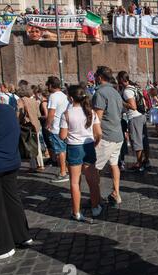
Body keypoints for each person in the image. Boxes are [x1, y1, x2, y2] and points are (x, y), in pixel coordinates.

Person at [0, 93, 33, 262]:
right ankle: (22, 235)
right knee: (12, 199)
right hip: (11, 161)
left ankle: (4, 246)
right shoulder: (8, 110)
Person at [59, 85, 102, 221]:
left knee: (75, 182)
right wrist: (95, 143)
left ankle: (76, 212)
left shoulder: (66, 114)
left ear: (71, 98)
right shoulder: (91, 112)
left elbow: (62, 136)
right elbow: (99, 133)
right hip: (88, 145)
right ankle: (95, 207)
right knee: (92, 180)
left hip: (74, 148)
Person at [92, 66, 124, 205]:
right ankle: (116, 193)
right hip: (118, 135)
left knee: (95, 169)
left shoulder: (100, 93)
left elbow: (97, 119)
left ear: (99, 77)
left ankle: (96, 198)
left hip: (106, 136)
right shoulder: (115, 92)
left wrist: (95, 137)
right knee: (114, 164)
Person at [117, 71, 150, 172]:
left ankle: (139, 163)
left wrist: (122, 102)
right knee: (144, 140)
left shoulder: (127, 91)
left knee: (137, 141)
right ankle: (146, 162)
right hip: (142, 115)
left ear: (121, 80)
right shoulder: (134, 87)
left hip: (135, 117)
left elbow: (133, 106)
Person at [45, 76, 69, 182]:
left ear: (50, 85)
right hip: (64, 126)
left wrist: (48, 124)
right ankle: (66, 169)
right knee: (64, 150)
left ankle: (63, 173)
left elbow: (51, 112)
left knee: (60, 151)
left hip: (56, 127)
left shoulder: (53, 96)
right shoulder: (64, 95)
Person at [17, 85, 44, 172]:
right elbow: (39, 115)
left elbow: (19, 114)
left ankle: (33, 166)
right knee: (37, 145)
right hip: (36, 124)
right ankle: (41, 164)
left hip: (27, 125)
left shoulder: (21, 100)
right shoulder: (34, 101)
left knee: (30, 145)